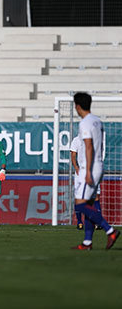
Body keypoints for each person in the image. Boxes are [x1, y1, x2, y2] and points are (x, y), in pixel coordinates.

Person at [71, 92, 119, 250]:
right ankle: (87, 242)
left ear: (78, 106)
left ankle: (110, 230)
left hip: (89, 167)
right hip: (99, 165)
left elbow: (89, 146)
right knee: (90, 204)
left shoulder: (85, 123)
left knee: (80, 205)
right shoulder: (97, 121)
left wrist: (88, 171)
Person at [70, 135, 102, 230]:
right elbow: (73, 155)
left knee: (95, 197)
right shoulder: (76, 140)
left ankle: (97, 222)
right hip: (81, 173)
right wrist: (76, 168)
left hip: (93, 172)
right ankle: (80, 222)